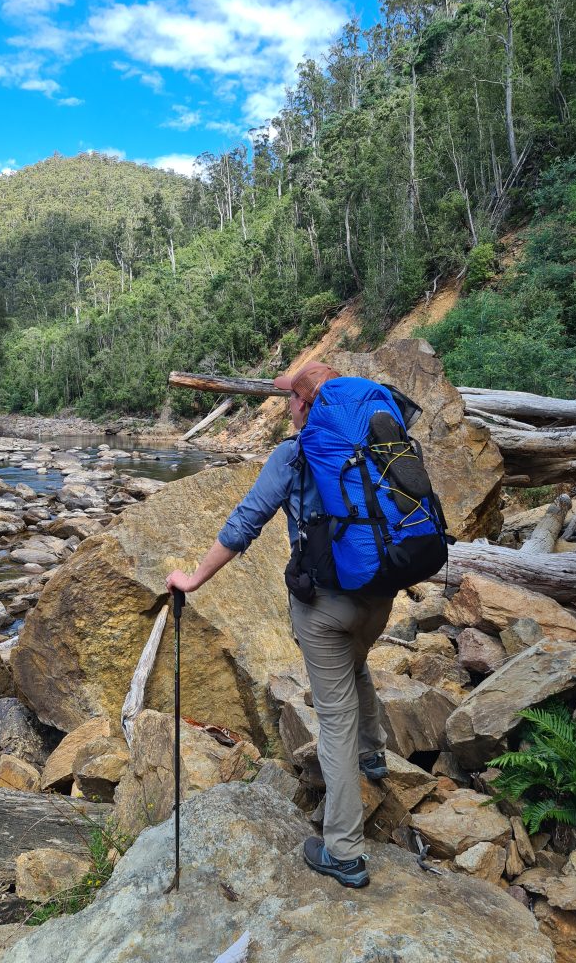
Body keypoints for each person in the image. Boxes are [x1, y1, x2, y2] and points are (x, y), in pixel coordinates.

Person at [165, 360, 393, 890]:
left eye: (292, 398)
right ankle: (374, 752)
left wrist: (193, 579)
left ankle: (344, 853)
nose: (286, 404)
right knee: (356, 664)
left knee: (334, 720)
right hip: (380, 596)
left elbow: (245, 523)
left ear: (304, 406)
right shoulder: (376, 445)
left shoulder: (293, 455)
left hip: (325, 609)